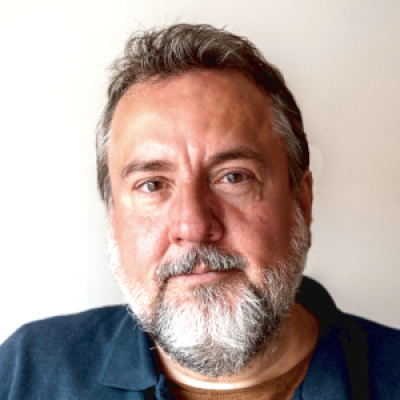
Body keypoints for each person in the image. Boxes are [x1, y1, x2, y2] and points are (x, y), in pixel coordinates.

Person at [0, 23, 399, 400]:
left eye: (233, 177)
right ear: (113, 218)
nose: (193, 226)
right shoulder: (24, 372)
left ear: (302, 202)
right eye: (152, 184)